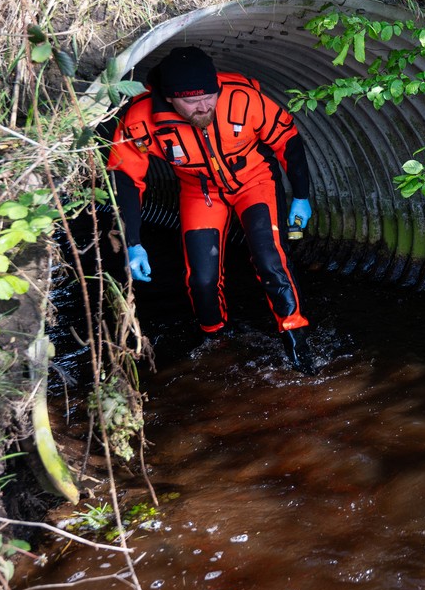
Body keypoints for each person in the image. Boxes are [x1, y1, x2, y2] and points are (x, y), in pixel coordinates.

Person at [105, 46, 314, 369]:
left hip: (255, 180)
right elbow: (127, 178)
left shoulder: (244, 99)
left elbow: (287, 139)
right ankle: (216, 338)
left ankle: (296, 341)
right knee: (201, 279)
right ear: (170, 98)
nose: (204, 107)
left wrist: (301, 195)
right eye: (192, 101)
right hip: (199, 190)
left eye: (209, 96)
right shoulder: (140, 119)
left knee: (270, 260)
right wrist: (133, 241)